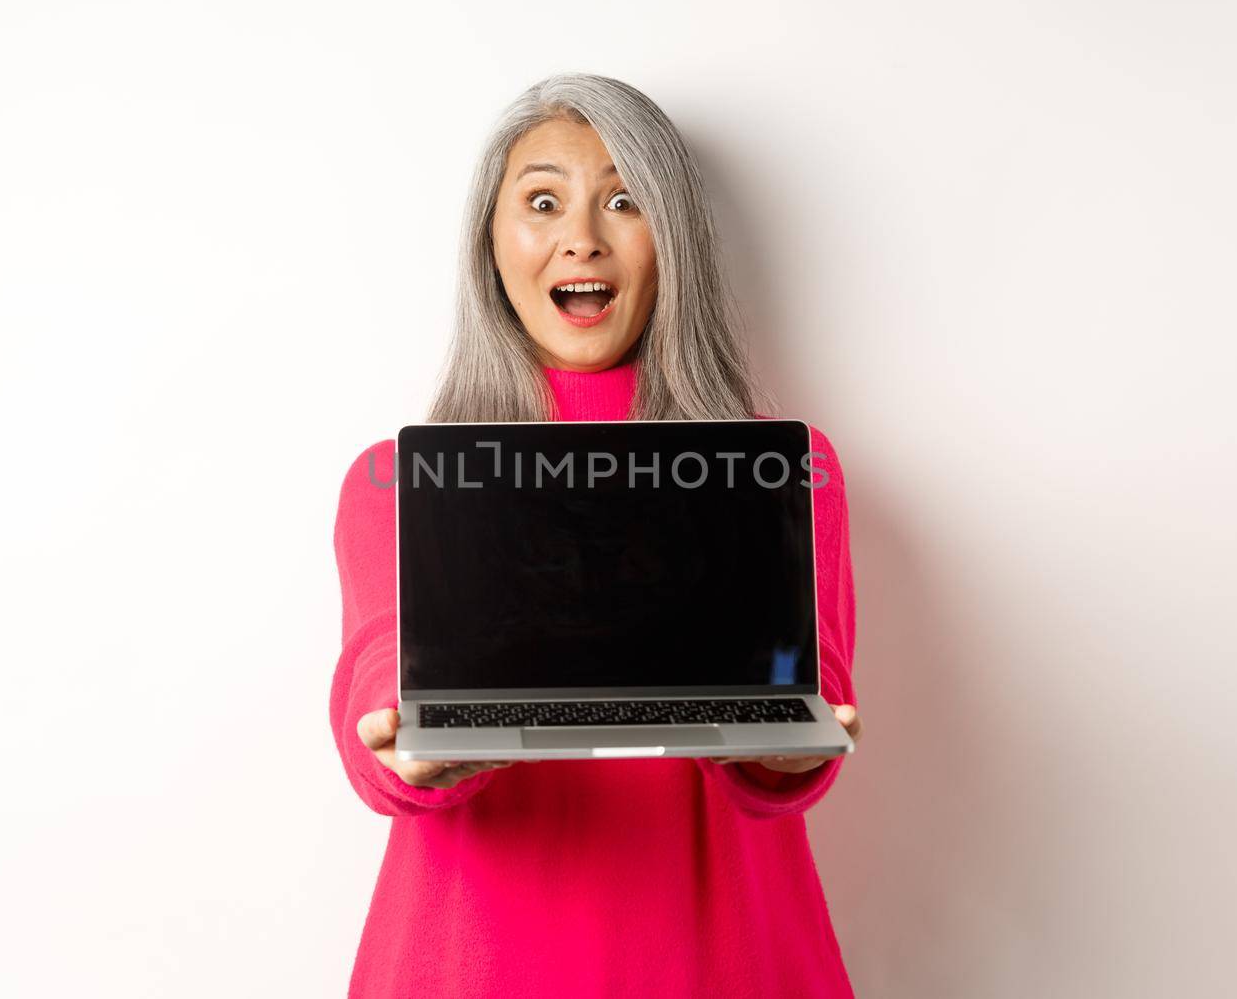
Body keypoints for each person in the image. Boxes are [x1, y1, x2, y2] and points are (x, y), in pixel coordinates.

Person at [328, 73, 864, 998]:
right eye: (543, 201)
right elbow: (378, 664)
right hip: (471, 966)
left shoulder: (789, 469)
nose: (582, 235)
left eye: (625, 199)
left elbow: (814, 684)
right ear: (490, 246)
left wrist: (787, 745)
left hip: (724, 962)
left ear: (676, 243)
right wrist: (410, 735)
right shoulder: (397, 479)